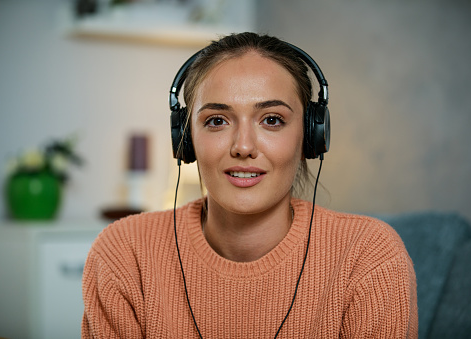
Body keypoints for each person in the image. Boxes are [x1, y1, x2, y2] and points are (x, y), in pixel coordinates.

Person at [82, 32, 418, 338]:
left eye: (272, 120)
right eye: (217, 120)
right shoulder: (124, 254)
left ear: (311, 137)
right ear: (185, 139)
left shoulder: (369, 257)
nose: (243, 146)